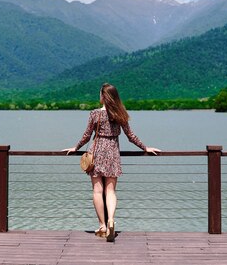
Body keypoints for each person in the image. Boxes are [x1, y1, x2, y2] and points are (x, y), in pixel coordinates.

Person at [63, 83, 160, 242]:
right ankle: (111, 221)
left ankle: (102, 226)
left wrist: (76, 147)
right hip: (113, 152)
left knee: (97, 190)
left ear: (103, 96)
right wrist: (145, 147)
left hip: (96, 152)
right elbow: (131, 136)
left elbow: (87, 136)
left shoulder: (95, 114)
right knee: (111, 191)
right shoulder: (120, 113)